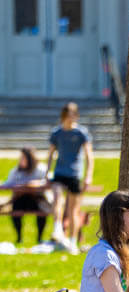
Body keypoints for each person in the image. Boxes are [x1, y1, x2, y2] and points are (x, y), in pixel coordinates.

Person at [46, 102, 93, 253]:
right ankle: (57, 228)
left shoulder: (81, 133)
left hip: (74, 173)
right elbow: (51, 154)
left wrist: (88, 176)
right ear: (64, 116)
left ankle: (73, 242)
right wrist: (47, 172)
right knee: (57, 198)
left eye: (73, 116)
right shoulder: (57, 133)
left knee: (74, 210)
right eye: (68, 116)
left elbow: (89, 156)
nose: (71, 119)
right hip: (60, 172)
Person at [1, 147, 51, 244]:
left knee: (42, 212)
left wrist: (32, 184)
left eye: (23, 157)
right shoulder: (16, 171)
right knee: (15, 210)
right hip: (20, 199)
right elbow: (8, 184)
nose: (21, 160)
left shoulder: (41, 169)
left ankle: (39, 238)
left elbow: (48, 181)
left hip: (37, 199)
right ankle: (19, 238)